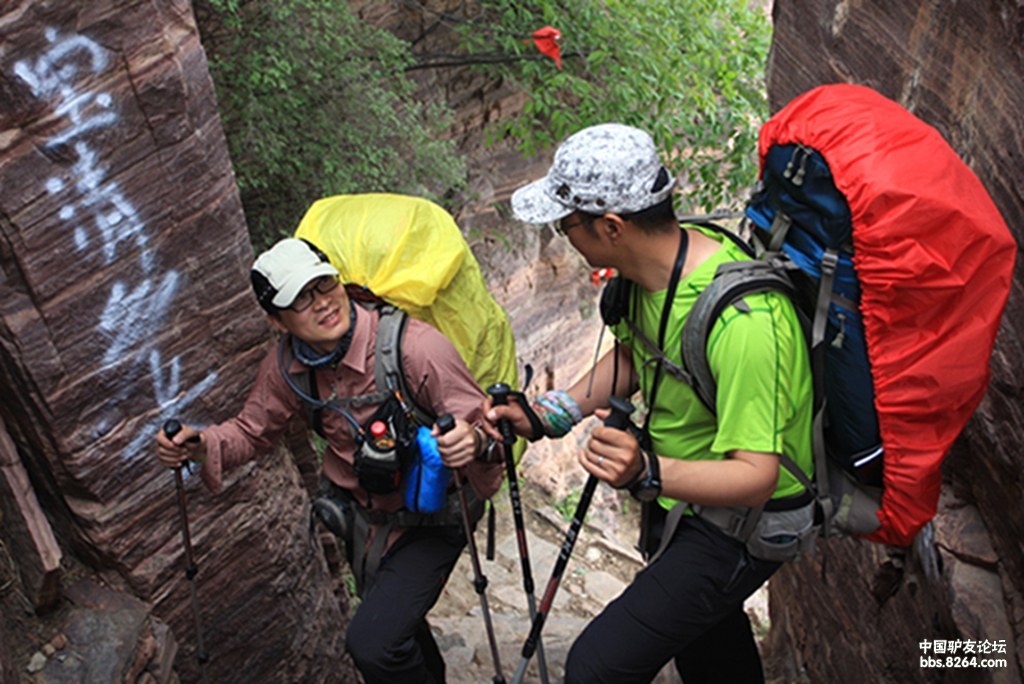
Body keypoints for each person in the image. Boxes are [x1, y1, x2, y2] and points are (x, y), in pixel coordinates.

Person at [483, 123, 815, 683]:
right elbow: (639, 353)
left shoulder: (747, 324)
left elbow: (758, 477)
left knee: (596, 666)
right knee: (709, 651)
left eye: (567, 225)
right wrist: (545, 416)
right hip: (685, 499)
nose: (564, 237)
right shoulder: (655, 272)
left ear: (612, 226)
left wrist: (647, 471)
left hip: (742, 522)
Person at [155, 237, 503, 684]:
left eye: (324, 284)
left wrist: (473, 441)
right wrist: (201, 444)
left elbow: (489, 432)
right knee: (398, 631)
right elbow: (251, 432)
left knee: (373, 645)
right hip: (366, 523)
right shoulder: (287, 369)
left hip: (435, 517)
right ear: (276, 320)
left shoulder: (416, 349)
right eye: (300, 298)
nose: (321, 302)